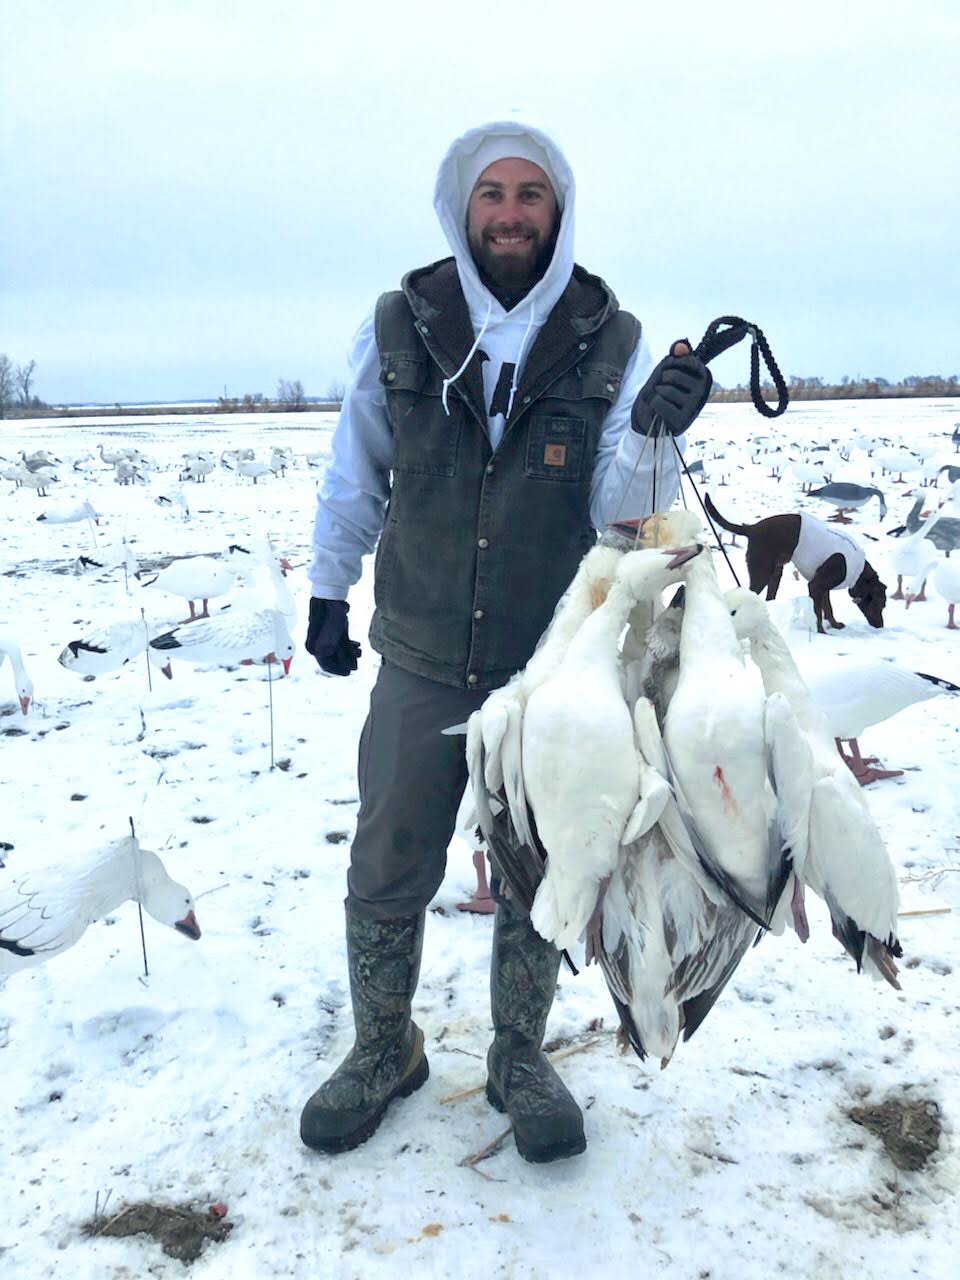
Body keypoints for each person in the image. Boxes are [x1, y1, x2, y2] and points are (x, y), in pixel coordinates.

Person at [300, 121, 712, 1162]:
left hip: (551, 664)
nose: (514, 212)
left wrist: (660, 428)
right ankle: (383, 1046)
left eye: (533, 194)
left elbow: (624, 503)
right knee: (391, 852)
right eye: (495, 194)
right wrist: (327, 589)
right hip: (423, 649)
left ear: (557, 210)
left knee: (540, 860)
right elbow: (357, 465)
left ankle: (519, 1054)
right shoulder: (403, 322)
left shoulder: (608, 335)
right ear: (462, 206)